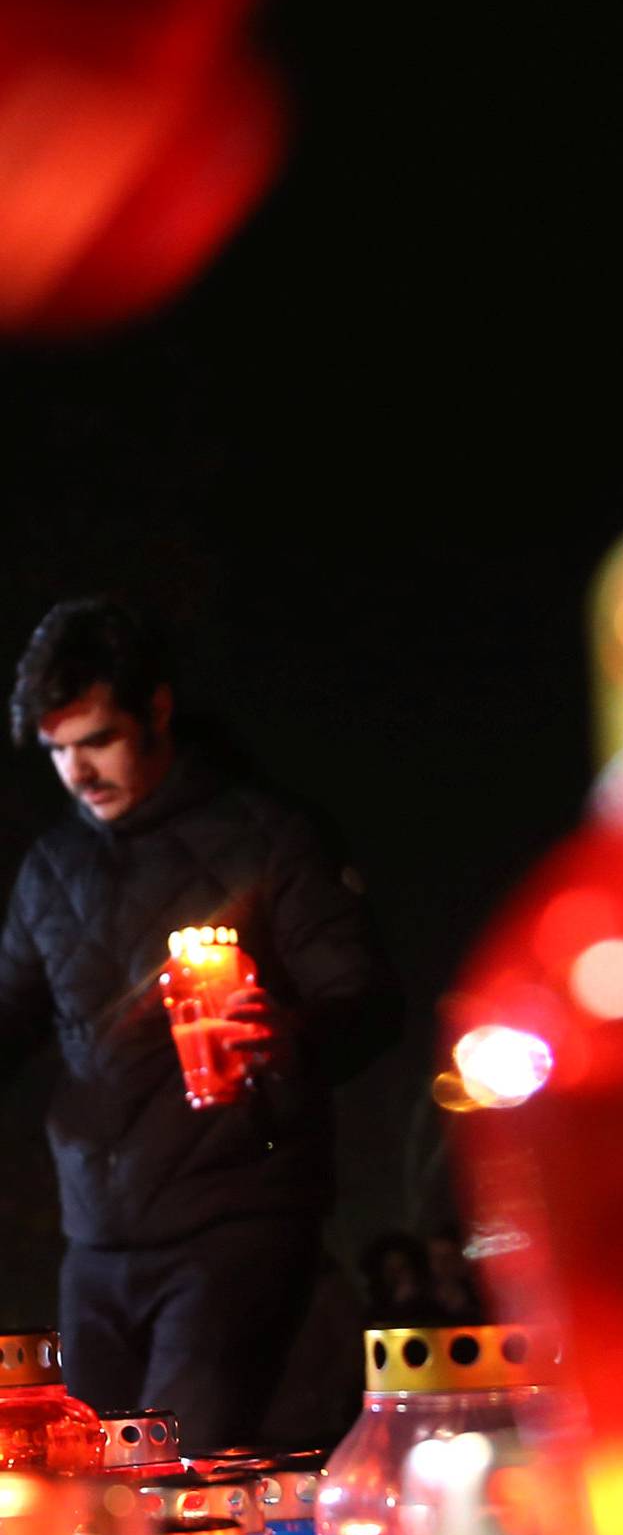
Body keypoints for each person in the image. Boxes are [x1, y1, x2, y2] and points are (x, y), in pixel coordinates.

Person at [0, 598, 401, 1448]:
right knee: (90, 1477)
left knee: (181, 1465)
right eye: (59, 751)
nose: (79, 772)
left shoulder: (267, 838)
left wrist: (283, 1037)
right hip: (96, 1237)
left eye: (99, 740)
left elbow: (362, 1002)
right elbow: (13, 1011)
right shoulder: (52, 868)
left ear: (157, 711)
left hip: (235, 1219)